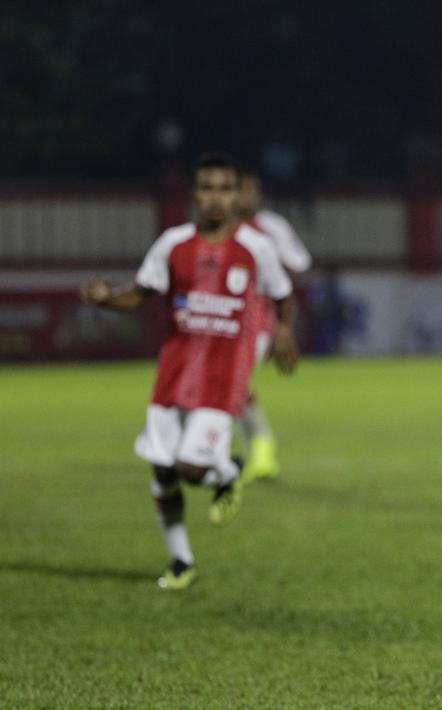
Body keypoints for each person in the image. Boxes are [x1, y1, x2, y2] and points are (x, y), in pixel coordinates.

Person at [80, 152, 299, 590]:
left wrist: (284, 333)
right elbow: (140, 294)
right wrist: (107, 298)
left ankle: (226, 472)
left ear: (237, 195)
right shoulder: (173, 244)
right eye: (207, 187)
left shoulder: (257, 249)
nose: (215, 197)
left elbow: (282, 294)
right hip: (175, 374)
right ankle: (181, 561)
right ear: (195, 194)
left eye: (224, 188)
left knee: (189, 469)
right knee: (161, 472)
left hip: (223, 377)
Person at [234, 169, 313, 480]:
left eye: (250, 191)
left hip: (260, 316)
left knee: (236, 380)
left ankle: (262, 447)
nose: (246, 197)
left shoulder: (271, 227)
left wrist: (283, 324)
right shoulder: (218, 229)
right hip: (225, 316)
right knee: (227, 384)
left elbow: (297, 264)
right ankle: (253, 450)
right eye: (240, 190)